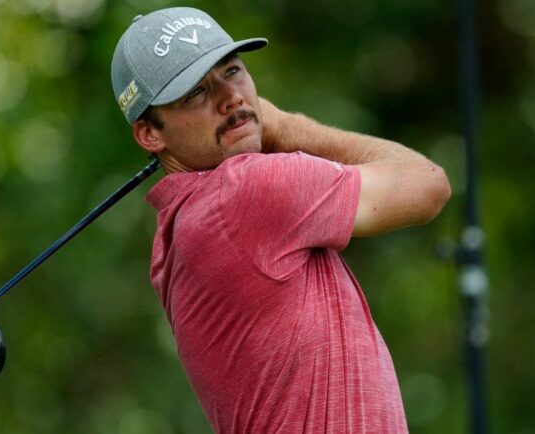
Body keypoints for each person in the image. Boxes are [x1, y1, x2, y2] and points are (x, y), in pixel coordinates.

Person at [111, 7, 451, 433]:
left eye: (232, 70)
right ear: (149, 134)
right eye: (195, 92)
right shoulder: (244, 189)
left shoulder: (175, 234)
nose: (230, 97)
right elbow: (428, 185)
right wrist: (287, 125)